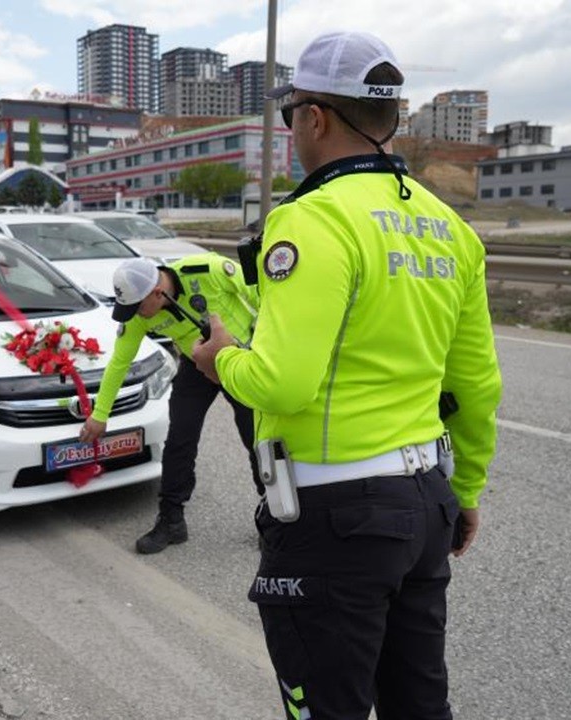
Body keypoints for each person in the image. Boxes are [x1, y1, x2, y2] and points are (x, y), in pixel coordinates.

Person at [191, 31, 502, 720]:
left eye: (289, 115)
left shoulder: (313, 217)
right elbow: (477, 385)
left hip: (338, 516)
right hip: (427, 501)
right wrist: (467, 488)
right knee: (420, 705)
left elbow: (279, 383)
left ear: (315, 118)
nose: (291, 129)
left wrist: (220, 361)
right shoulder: (451, 230)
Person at [77, 253, 262, 553]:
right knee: (179, 441)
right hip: (197, 364)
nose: (136, 314)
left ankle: (274, 522)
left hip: (244, 359)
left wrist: (268, 350)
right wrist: (100, 415)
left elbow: (262, 295)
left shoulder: (209, 271)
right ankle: (171, 520)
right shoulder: (140, 313)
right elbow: (119, 363)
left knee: (257, 439)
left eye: (138, 306)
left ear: (157, 292)